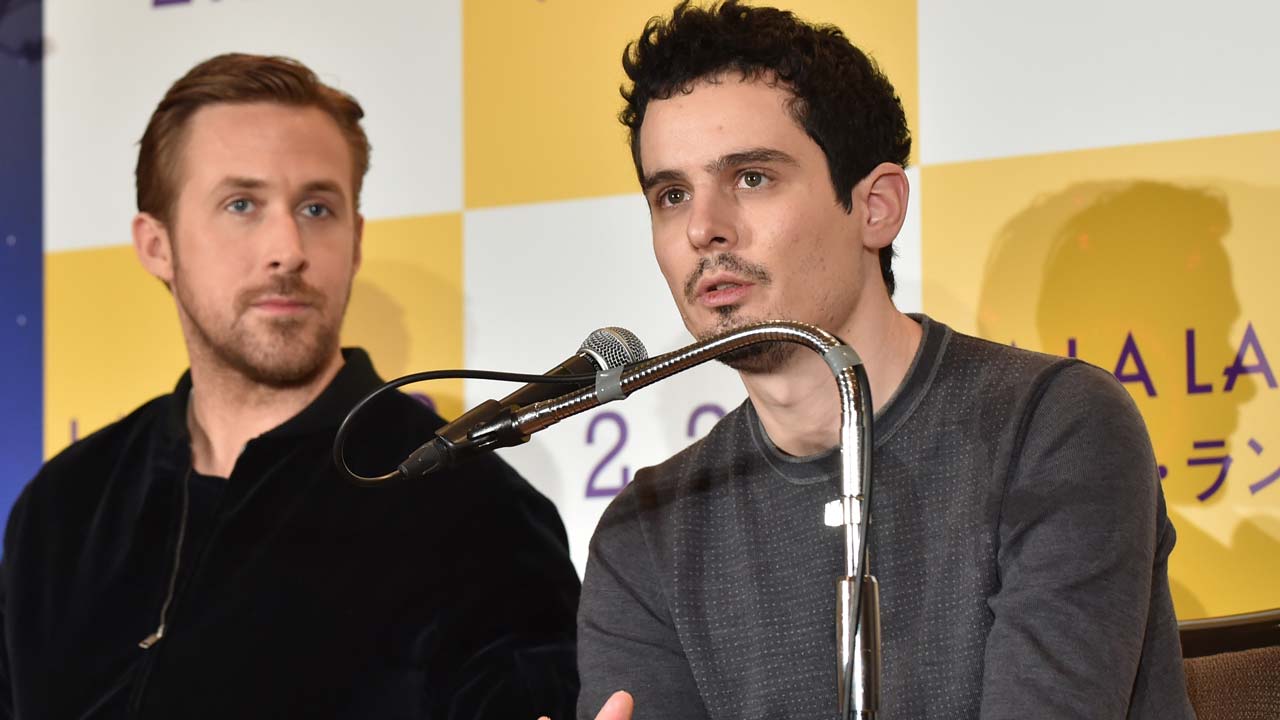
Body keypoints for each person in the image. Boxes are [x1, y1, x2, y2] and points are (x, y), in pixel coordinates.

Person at [574, 2, 1194, 718]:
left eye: (751, 178)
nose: (704, 228)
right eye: (672, 194)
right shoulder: (645, 529)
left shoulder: (1052, 428)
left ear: (877, 207)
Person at [0, 53, 580, 719]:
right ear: (156, 245)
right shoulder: (63, 508)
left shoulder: (475, 511)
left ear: (356, 241)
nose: (288, 247)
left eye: (316, 207)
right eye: (241, 204)